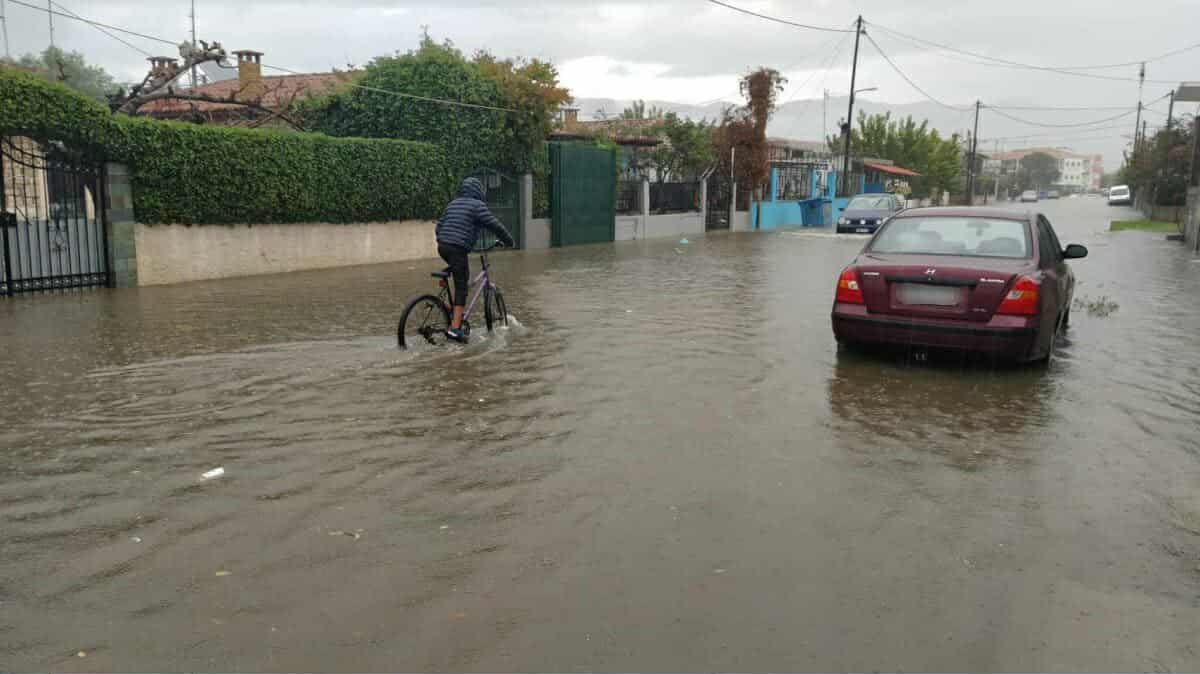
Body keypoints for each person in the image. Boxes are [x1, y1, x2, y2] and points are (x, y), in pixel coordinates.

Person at [435, 176, 516, 343]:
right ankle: (455, 329)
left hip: (442, 246)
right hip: (458, 248)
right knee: (462, 287)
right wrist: (509, 241)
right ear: (478, 192)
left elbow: (439, 226)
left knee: (459, 272)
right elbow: (495, 225)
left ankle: (450, 311)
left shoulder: (452, 204)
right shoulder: (478, 205)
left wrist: (446, 240)